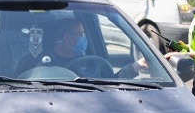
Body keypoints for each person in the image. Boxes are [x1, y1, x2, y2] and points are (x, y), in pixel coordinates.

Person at [16, 18, 147, 78]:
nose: (85, 39)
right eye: (81, 34)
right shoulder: (35, 62)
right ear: (67, 38)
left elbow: (113, 83)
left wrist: (136, 66)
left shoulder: (92, 63)